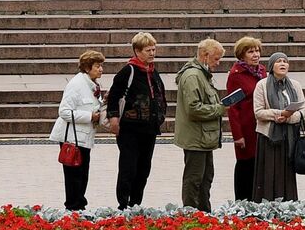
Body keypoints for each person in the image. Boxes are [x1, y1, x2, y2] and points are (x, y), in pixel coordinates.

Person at [104, 32, 168, 208]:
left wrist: (161, 114)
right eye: (148, 50)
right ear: (137, 51)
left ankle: (136, 202)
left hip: (150, 128)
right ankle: (123, 203)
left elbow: (160, 94)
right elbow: (114, 96)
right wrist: (114, 118)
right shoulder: (128, 71)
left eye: (154, 49)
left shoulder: (153, 71)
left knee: (144, 168)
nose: (152, 53)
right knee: (128, 167)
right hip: (130, 129)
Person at [50, 51, 106, 211]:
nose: (101, 69)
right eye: (98, 66)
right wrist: (90, 116)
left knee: (82, 175)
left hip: (84, 138)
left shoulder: (92, 84)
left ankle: (79, 206)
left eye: (101, 65)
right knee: (74, 176)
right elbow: (64, 112)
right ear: (88, 68)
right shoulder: (76, 84)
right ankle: (73, 207)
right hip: (72, 138)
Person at [176, 39, 228, 212]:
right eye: (216, 59)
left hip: (204, 138)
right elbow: (193, 109)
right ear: (205, 56)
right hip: (196, 138)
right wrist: (219, 109)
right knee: (194, 179)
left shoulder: (201, 74)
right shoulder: (193, 76)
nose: (218, 63)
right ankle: (191, 213)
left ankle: (204, 212)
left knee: (206, 178)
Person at [250, 52, 305, 202]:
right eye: (279, 61)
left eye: (285, 61)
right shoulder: (261, 85)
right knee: (268, 172)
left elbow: (303, 111)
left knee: (286, 173)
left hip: (289, 136)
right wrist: (278, 114)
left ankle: (288, 203)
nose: (283, 64)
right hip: (269, 136)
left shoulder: (295, 85)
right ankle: (266, 203)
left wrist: (288, 118)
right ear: (271, 66)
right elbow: (258, 112)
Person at [224, 37, 267, 202]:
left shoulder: (262, 71)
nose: (255, 55)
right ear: (242, 55)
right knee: (245, 165)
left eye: (257, 51)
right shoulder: (236, 75)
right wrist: (237, 135)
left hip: (261, 125)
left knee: (259, 164)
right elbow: (233, 107)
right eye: (251, 51)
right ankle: (242, 201)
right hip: (246, 127)